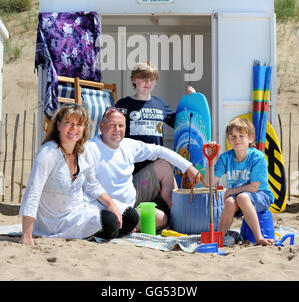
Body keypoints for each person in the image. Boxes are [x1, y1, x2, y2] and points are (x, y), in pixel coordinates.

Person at [19, 104, 138, 246]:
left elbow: (92, 185)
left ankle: (102, 230)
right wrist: (27, 234)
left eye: (79, 124)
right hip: (55, 220)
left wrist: (111, 205)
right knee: (110, 223)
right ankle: (102, 231)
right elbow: (33, 192)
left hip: (81, 208)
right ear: (58, 125)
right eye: (68, 123)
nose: (74, 128)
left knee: (130, 216)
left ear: (84, 128)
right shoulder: (48, 153)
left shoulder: (82, 152)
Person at [84, 107, 202, 230]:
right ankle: (126, 224)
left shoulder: (128, 145)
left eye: (121, 125)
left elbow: (159, 150)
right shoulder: (90, 148)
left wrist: (188, 167)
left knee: (163, 166)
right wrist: (111, 206)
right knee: (161, 219)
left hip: (132, 199)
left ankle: (177, 214)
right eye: (112, 125)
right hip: (107, 207)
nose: (117, 130)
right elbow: (89, 186)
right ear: (101, 127)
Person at [115, 61, 196, 219]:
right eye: (143, 79)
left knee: (165, 168)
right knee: (165, 164)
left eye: (151, 79)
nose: (148, 83)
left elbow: (181, 123)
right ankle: (179, 215)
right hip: (135, 175)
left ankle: (176, 213)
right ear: (133, 80)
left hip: (156, 172)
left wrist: (191, 99)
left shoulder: (160, 104)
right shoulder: (124, 104)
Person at [206, 117, 275, 246]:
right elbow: (210, 183)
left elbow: (254, 187)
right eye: (233, 136)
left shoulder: (257, 157)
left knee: (242, 197)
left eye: (241, 136)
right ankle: (220, 236)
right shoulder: (225, 157)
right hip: (239, 197)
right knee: (230, 201)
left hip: (261, 196)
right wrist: (211, 159)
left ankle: (259, 238)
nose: (236, 139)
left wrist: (231, 191)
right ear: (228, 139)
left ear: (251, 138)